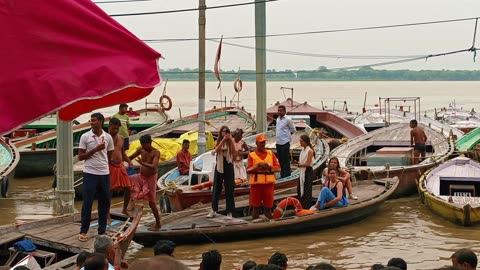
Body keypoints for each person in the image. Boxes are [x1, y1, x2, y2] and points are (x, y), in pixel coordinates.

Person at [78, 112, 114, 242]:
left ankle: (102, 230)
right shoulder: (85, 136)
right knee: (87, 203)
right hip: (90, 173)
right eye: (91, 120)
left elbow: (109, 155)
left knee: (104, 202)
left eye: (93, 120)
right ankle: (83, 231)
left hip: (104, 174)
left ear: (100, 122)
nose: (91, 122)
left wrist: (104, 165)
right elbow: (80, 157)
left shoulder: (108, 137)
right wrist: (96, 149)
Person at [128, 134, 161, 231]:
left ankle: (158, 224)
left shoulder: (156, 152)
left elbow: (154, 166)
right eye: (141, 145)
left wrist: (142, 164)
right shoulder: (141, 149)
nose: (143, 147)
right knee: (127, 183)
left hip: (151, 178)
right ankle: (129, 207)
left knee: (152, 203)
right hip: (141, 176)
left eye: (144, 144)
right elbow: (130, 157)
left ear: (149, 143)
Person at [247, 134, 281, 220]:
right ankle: (254, 226)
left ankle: (271, 226)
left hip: (268, 185)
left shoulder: (270, 153)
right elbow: (248, 170)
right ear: (256, 143)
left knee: (268, 208)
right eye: (261, 142)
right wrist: (257, 166)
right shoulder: (251, 155)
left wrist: (269, 168)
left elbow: (278, 168)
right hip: (256, 185)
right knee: (255, 208)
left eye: (264, 142)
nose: (263, 144)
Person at [207, 126, 236, 219]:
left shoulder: (231, 141)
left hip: (228, 165)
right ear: (221, 132)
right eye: (224, 131)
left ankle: (230, 211)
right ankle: (214, 209)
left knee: (229, 189)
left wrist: (230, 140)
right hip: (219, 166)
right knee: (216, 188)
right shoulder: (219, 141)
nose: (225, 133)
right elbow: (216, 150)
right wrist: (223, 140)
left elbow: (234, 153)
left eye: (227, 131)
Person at [108, 118, 133, 216]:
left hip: (120, 165)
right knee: (109, 190)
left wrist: (129, 161)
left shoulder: (121, 138)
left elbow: (122, 153)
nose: (114, 131)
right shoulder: (104, 138)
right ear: (109, 127)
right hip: (109, 166)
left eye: (116, 129)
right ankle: (107, 211)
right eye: (113, 129)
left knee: (128, 188)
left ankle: (124, 209)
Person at [275, 105, 296, 178]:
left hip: (285, 142)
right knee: (280, 159)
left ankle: (287, 175)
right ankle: (282, 174)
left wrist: (287, 136)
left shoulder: (288, 119)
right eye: (278, 110)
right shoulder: (277, 119)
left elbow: (293, 130)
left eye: (281, 111)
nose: (279, 112)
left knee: (285, 160)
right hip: (278, 142)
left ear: (284, 111)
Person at [297, 134, 315, 209]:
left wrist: (300, 165)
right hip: (302, 170)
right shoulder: (302, 150)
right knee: (300, 187)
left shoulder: (310, 151)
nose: (300, 143)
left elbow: (308, 163)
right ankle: (301, 204)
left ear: (305, 142)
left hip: (307, 171)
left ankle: (307, 206)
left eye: (301, 141)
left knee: (307, 188)